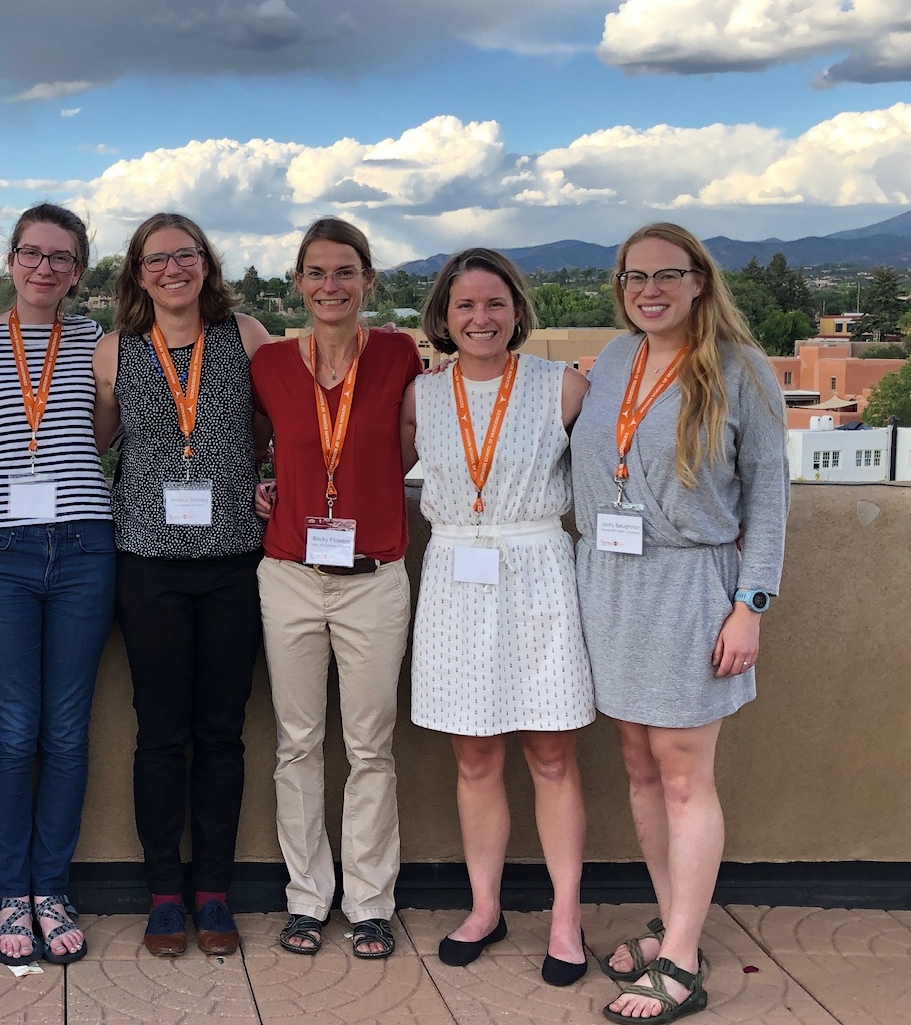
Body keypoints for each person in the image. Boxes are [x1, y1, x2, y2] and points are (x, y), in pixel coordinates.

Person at [572, 221, 787, 1025]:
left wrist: (751, 605)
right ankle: (672, 921)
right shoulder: (617, 359)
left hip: (693, 585)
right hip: (610, 582)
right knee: (638, 765)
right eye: (634, 277)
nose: (649, 290)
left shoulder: (744, 373)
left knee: (686, 774)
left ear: (701, 280)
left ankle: (684, 961)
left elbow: (769, 500)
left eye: (667, 275)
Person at [407, 248, 593, 986]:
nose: (480, 318)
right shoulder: (420, 396)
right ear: (444, 319)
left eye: (493, 304)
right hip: (454, 576)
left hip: (538, 573)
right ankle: (485, 907)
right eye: (464, 307)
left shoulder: (565, 387)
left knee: (551, 756)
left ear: (517, 310)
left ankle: (566, 917)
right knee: (475, 756)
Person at [93, 213, 270, 957]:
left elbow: (281, 427)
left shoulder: (249, 335)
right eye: (157, 259)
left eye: (186, 255)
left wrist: (272, 480)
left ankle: (215, 891)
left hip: (234, 560)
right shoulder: (114, 351)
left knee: (222, 734)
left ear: (207, 263)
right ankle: (165, 891)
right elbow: (95, 443)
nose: (173, 269)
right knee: (160, 734)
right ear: (137, 273)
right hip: (148, 564)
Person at [250, 217, 421, 960]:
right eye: (316, 273)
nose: (330, 286)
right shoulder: (271, 365)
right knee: (297, 745)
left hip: (373, 578)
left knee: (370, 747)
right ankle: (306, 898)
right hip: (289, 573)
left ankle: (371, 902)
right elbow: (252, 444)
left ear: (368, 281)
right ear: (298, 282)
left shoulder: (400, 355)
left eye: (345, 272)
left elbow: (414, 448)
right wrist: (265, 483)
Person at [0, 204, 113, 966]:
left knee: (67, 728)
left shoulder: (101, 343)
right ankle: (9, 892)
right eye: (31, 253)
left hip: (86, 545)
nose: (44, 268)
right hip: (1, 550)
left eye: (60, 257)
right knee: (14, 729)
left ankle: (52, 888)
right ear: (10, 260)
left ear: (79, 271)